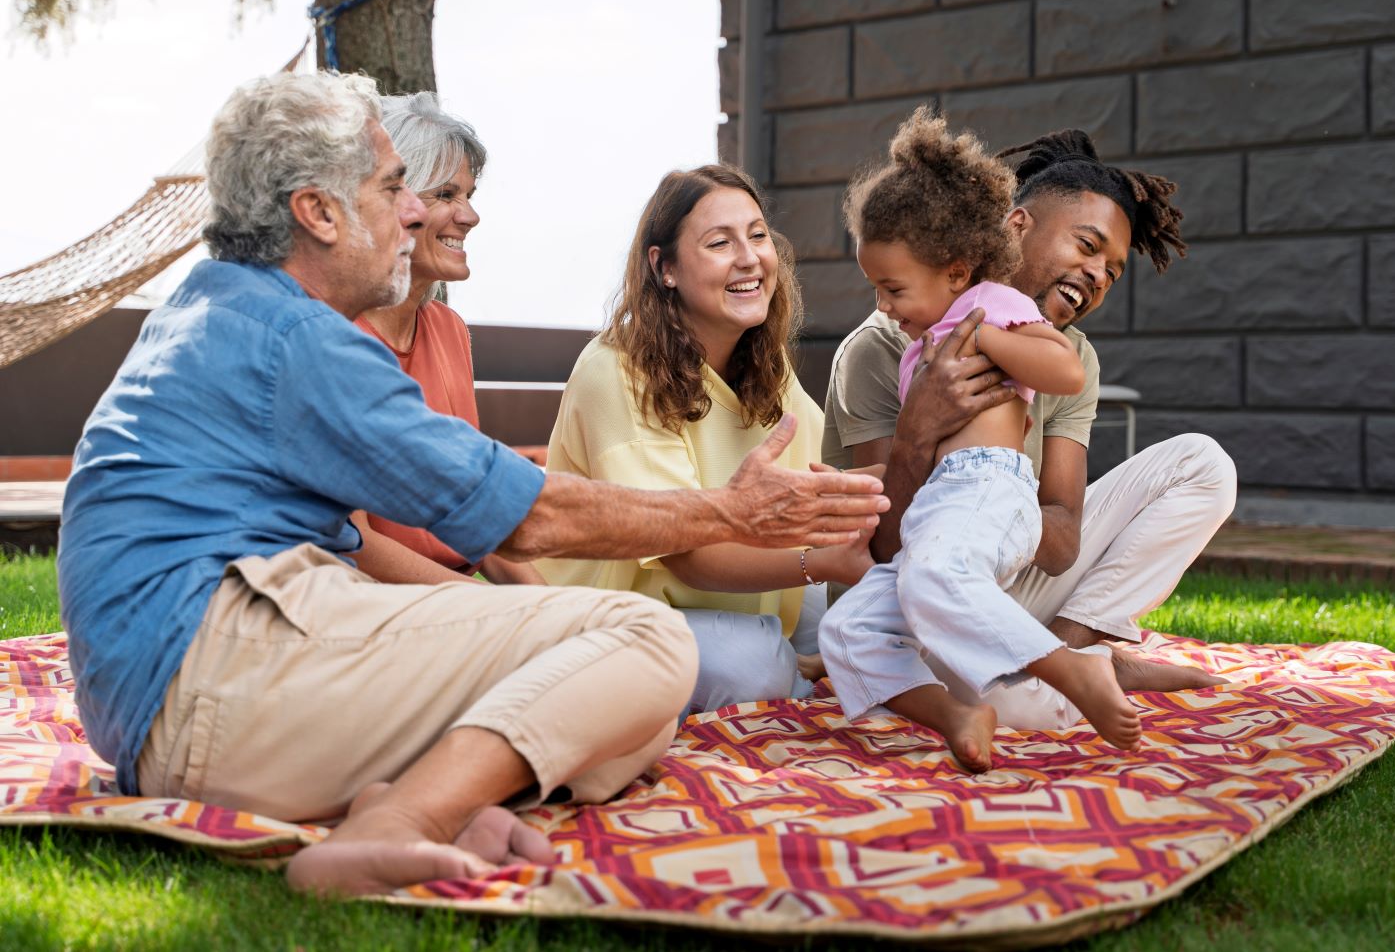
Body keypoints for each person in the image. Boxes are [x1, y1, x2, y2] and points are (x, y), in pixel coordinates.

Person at [57, 71, 888, 898]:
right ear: (317, 212)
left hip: (191, 693)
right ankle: (400, 822)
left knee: (627, 716)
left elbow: (424, 528)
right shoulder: (293, 339)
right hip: (206, 688)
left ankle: (418, 798)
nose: (416, 210)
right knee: (650, 644)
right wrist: (730, 510)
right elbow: (523, 516)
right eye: (393, 188)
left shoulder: (225, 312)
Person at [822, 121, 1233, 737]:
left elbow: (1063, 539)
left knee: (1201, 465)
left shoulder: (1068, 355)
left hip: (994, 537)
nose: (1097, 275)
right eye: (1086, 246)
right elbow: (882, 548)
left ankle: (1064, 658)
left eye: (1112, 271)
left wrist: (989, 490)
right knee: (1011, 709)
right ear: (1016, 226)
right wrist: (917, 436)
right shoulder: (884, 349)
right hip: (918, 588)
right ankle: (1065, 669)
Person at [539, 165, 875, 714]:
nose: (749, 258)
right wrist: (825, 563)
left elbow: (833, 487)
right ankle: (790, 673)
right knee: (757, 665)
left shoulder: (765, 369)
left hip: (745, 604)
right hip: (614, 619)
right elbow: (687, 554)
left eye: (758, 235)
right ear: (664, 266)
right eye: (720, 243)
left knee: (876, 624)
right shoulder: (615, 371)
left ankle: (795, 667)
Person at [348, 92, 542, 586]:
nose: (470, 216)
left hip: (460, 590)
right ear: (392, 202)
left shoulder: (448, 330)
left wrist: (548, 601)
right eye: (447, 195)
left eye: (469, 196)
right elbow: (355, 544)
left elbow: (473, 508)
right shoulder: (338, 338)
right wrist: (499, 609)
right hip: (378, 603)